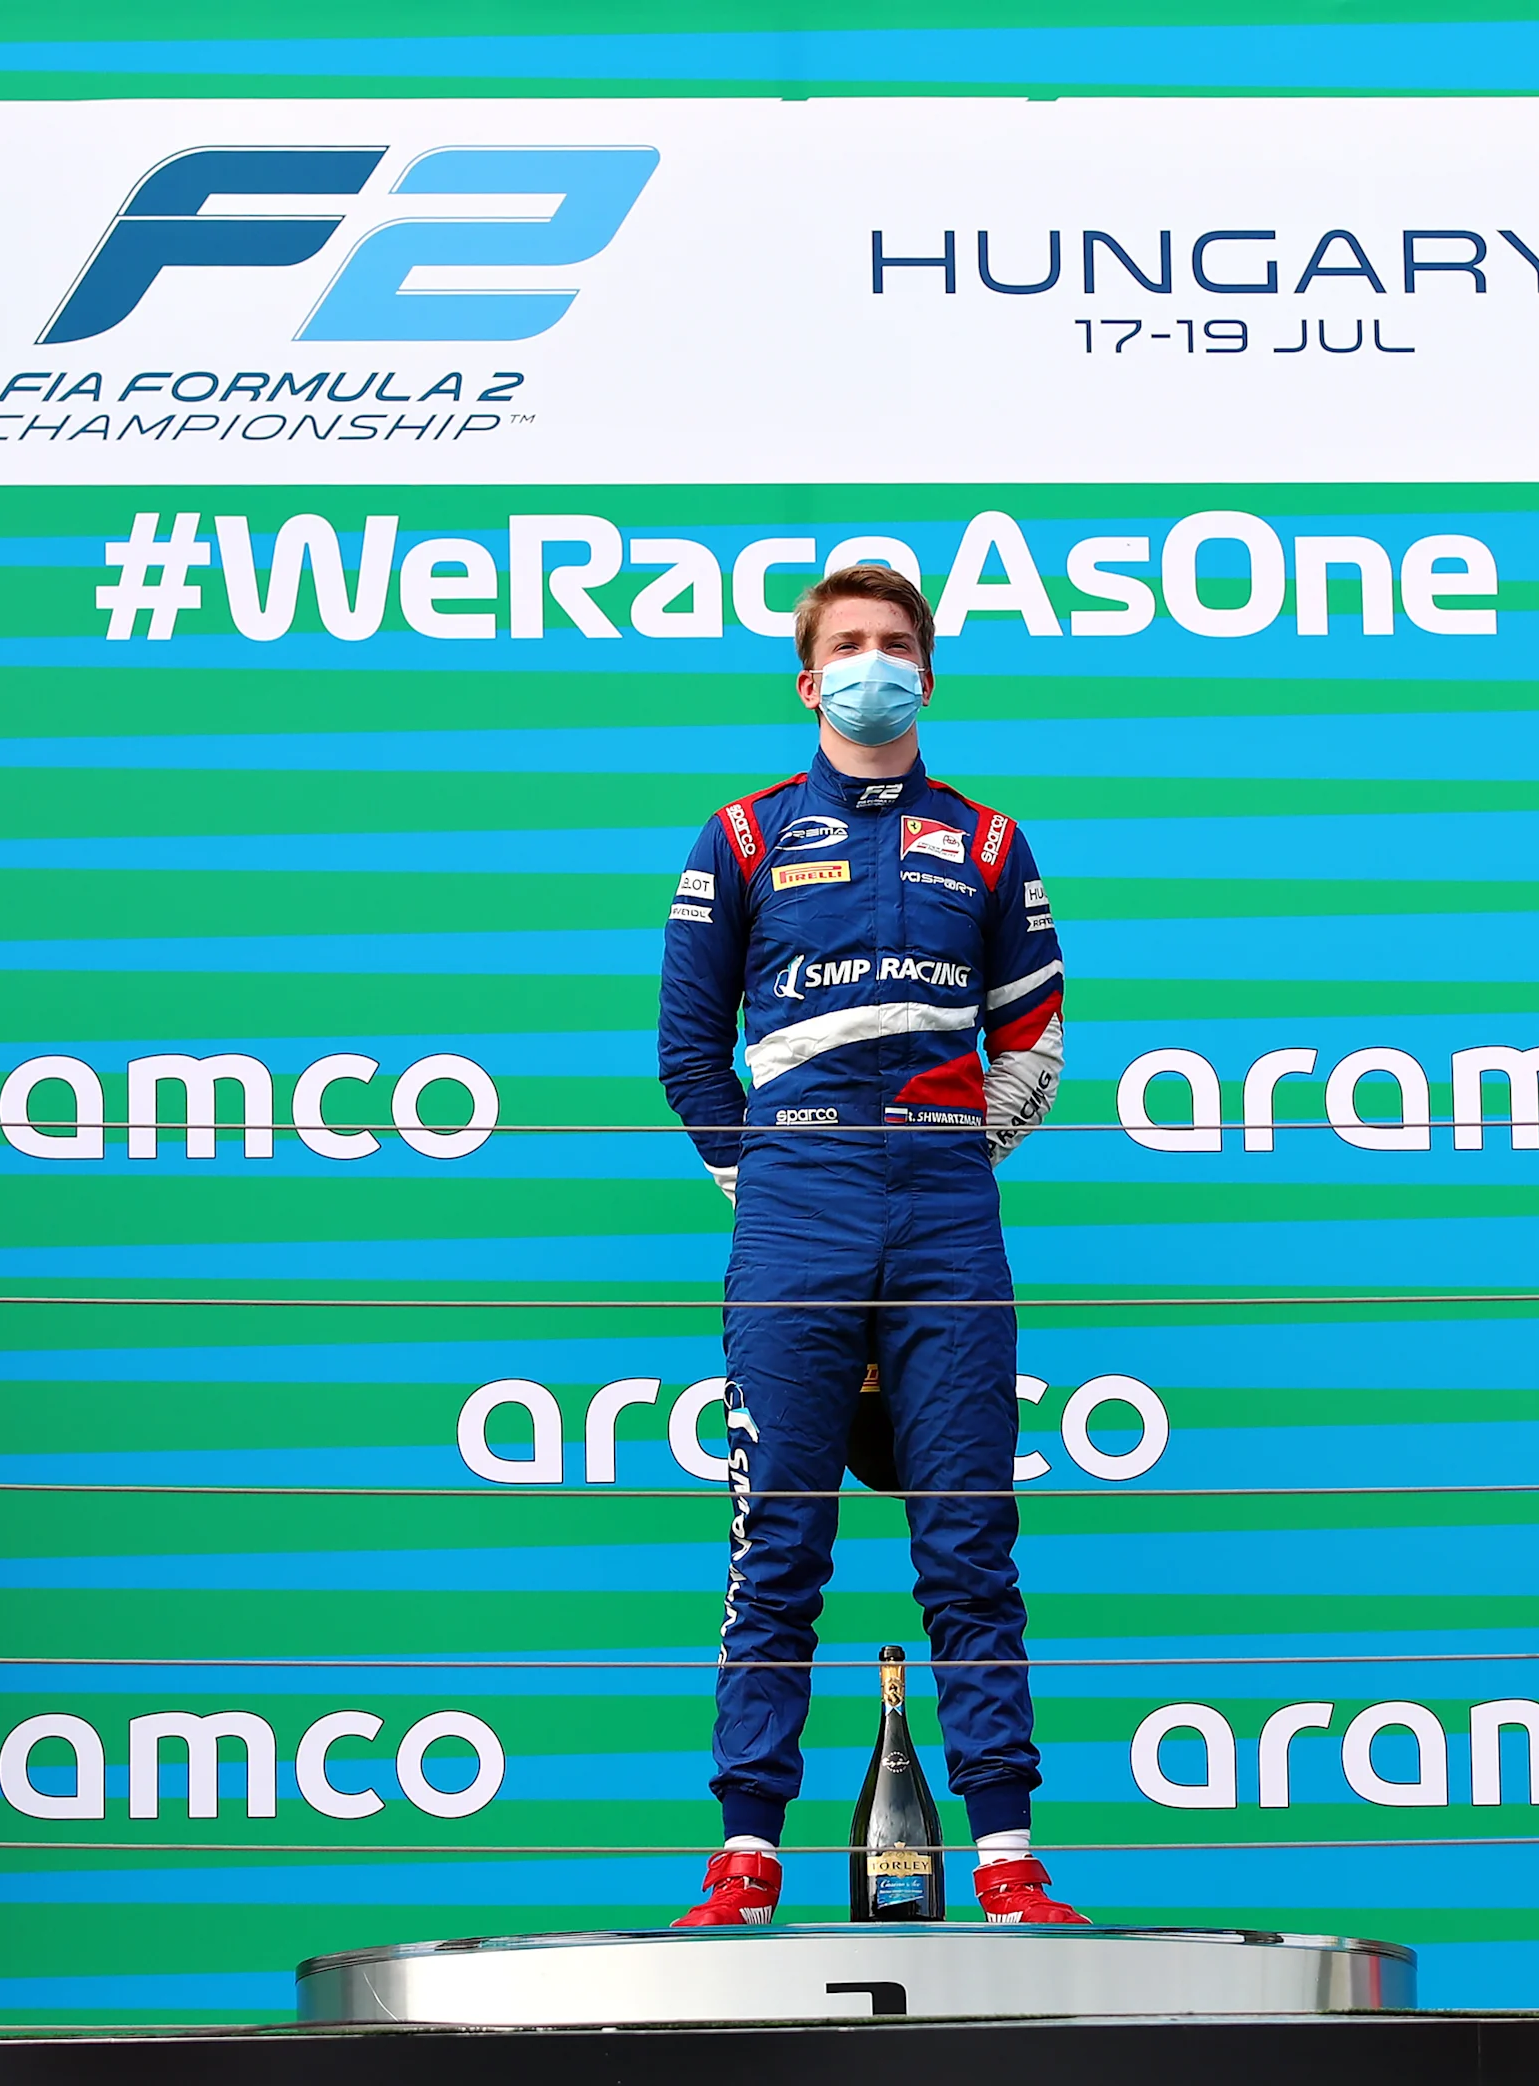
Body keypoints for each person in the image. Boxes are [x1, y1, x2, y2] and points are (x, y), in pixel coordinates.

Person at [654, 564, 1084, 1927]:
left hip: (946, 1199)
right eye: (846, 645)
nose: (871, 664)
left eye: (895, 644)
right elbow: (684, 1055)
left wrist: (946, 1153)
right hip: (797, 1199)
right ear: (805, 678)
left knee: (969, 1538)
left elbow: (1036, 1044)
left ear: (930, 673)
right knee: (777, 1533)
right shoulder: (740, 834)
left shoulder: (994, 839)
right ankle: (746, 1857)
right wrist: (777, 1177)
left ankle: (1008, 1860)